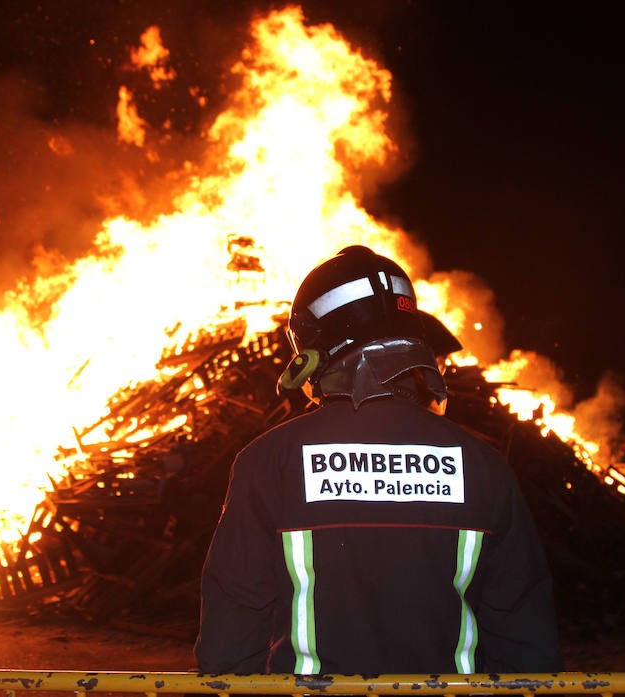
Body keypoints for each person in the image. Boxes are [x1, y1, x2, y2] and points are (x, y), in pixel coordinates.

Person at [194, 246, 561, 675]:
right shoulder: (483, 465)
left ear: (315, 350)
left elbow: (230, 643)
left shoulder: (269, 462)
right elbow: (525, 643)